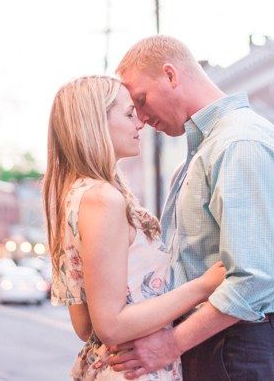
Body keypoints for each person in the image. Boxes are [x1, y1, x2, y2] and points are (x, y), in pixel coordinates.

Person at [107, 35, 274, 381]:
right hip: (221, 343)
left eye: (140, 99)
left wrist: (172, 343)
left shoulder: (240, 143)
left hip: (239, 344)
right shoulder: (203, 154)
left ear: (170, 75)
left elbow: (254, 278)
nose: (139, 117)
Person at [44, 75, 226, 381]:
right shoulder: (104, 200)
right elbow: (110, 326)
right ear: (95, 124)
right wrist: (204, 286)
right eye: (129, 114)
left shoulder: (75, 197)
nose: (140, 122)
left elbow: (84, 326)